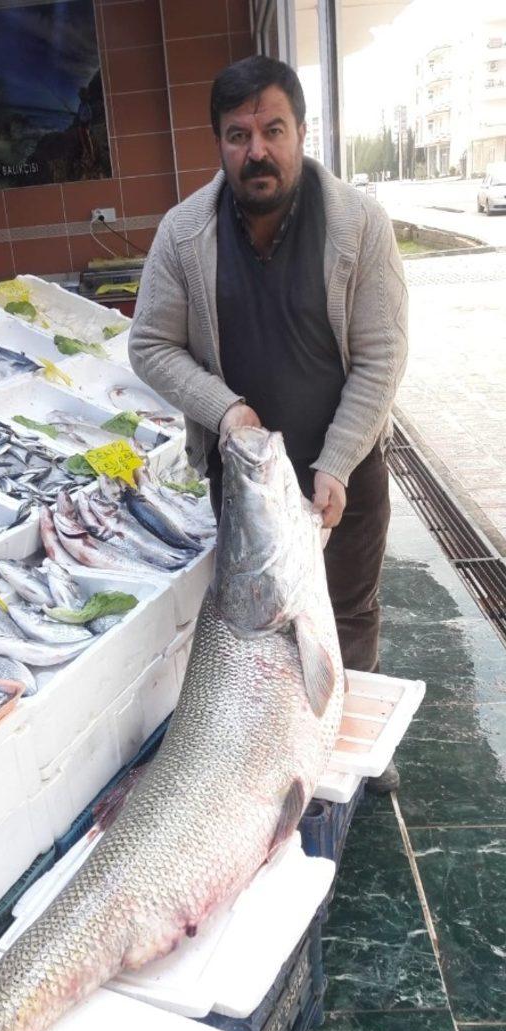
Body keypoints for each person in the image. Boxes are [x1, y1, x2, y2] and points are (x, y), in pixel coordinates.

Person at [128, 56, 408, 795]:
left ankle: (351, 743)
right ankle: (278, 747)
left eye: (273, 130)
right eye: (238, 134)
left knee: (348, 607)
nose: (258, 150)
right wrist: (226, 410)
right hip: (249, 486)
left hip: (343, 468)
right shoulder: (185, 233)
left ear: (302, 132)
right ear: (218, 144)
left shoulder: (358, 224)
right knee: (257, 636)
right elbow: (149, 344)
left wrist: (339, 461)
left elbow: (382, 357)